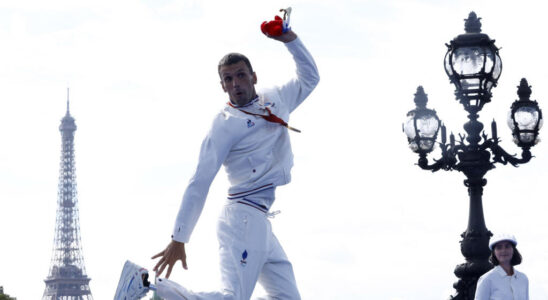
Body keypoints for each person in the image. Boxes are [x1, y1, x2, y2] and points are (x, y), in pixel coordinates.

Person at [114, 14, 319, 300]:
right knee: (233, 297)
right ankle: (147, 285)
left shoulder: (277, 99)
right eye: (228, 79)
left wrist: (290, 40)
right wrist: (179, 238)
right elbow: (199, 181)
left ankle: (150, 286)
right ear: (222, 86)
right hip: (242, 217)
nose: (236, 83)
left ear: (254, 77)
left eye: (241, 75)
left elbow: (310, 78)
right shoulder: (224, 124)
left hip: (261, 217)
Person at [474, 233, 529, 300]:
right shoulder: (487, 279)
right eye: (499, 247)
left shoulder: (523, 278)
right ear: (494, 252)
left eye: (507, 246)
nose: (503, 250)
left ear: (513, 250)